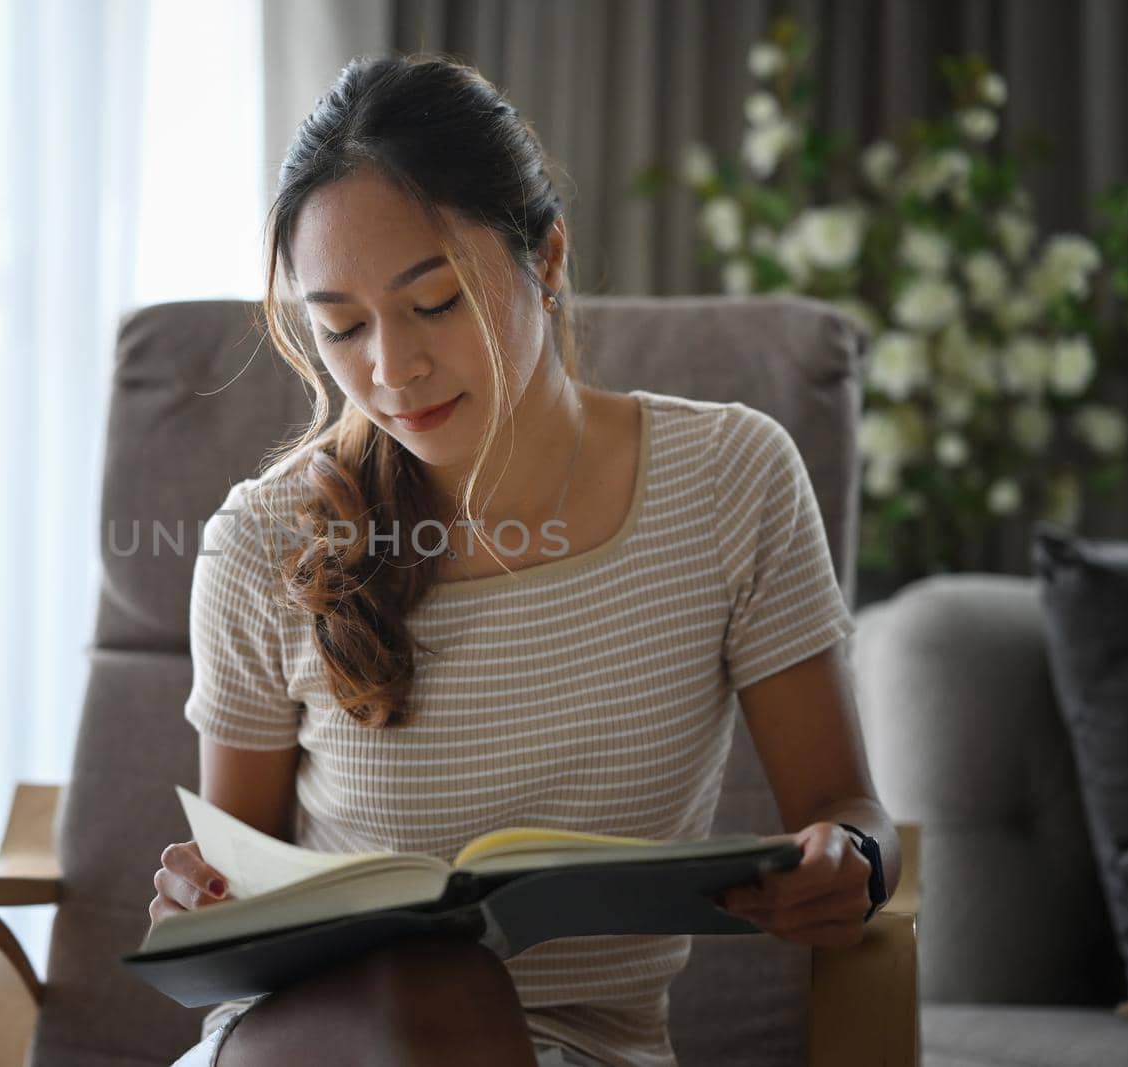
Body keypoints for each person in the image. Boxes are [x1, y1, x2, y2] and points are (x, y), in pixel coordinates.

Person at [149, 53, 901, 1067]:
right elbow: (233, 914)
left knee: (451, 1000)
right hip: (308, 1047)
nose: (391, 367)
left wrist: (850, 859)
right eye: (339, 327)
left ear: (544, 258)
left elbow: (846, 810)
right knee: (425, 991)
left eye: (436, 301)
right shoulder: (261, 541)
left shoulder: (728, 480)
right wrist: (199, 899)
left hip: (581, 1052)